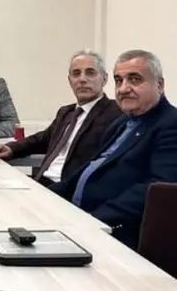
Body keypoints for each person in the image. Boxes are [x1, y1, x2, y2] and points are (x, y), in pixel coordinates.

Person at [50, 50, 177, 249]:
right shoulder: (122, 122)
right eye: (119, 81)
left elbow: (156, 189)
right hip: (78, 220)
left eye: (134, 79)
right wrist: (43, 196)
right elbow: (91, 168)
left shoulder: (170, 124)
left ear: (159, 84)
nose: (123, 88)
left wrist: (94, 220)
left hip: (116, 235)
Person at [0, 50, 122, 185]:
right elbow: (40, 140)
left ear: (104, 79)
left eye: (90, 73)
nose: (82, 79)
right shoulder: (66, 112)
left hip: (69, 188)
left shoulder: (115, 112)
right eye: (76, 73)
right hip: (42, 182)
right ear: (70, 81)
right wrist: (10, 148)